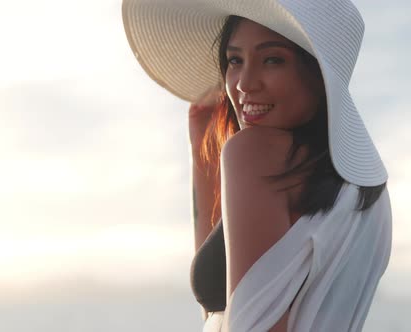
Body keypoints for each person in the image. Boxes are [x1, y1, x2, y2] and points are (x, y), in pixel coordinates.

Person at [122, 1, 392, 331]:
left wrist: (233, 152)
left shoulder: (256, 155)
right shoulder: (367, 196)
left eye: (272, 59)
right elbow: (224, 313)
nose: (244, 84)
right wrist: (201, 152)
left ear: (318, 71)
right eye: (235, 60)